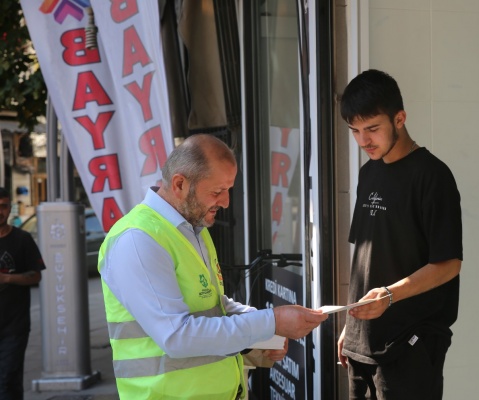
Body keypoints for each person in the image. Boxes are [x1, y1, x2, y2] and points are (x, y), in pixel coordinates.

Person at [98, 134, 327, 399]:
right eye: (217, 191)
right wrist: (270, 322)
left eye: (228, 189)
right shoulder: (138, 240)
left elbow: (214, 306)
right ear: (180, 184)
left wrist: (266, 333)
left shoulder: (192, 228)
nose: (226, 202)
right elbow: (176, 336)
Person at [336, 69, 463, 400]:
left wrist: (389, 295)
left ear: (400, 118)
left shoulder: (433, 176)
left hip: (411, 343)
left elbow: (449, 264)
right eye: (355, 131)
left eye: (373, 129)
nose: (364, 141)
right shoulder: (367, 173)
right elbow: (365, 259)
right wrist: (352, 327)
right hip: (362, 345)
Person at [0, 187, 45, 400]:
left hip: (14, 326)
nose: (0, 211)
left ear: (10, 208)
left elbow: (36, 276)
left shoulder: (22, 239)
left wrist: (8, 278)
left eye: (3, 206)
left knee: (8, 378)